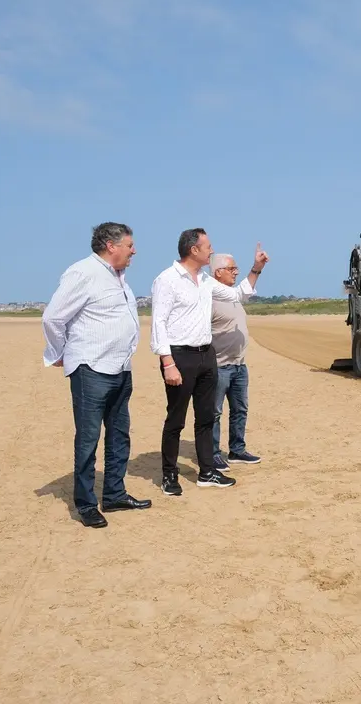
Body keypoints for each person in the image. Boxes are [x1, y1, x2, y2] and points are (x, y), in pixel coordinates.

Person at [41, 221, 152, 529]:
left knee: (119, 435)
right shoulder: (83, 273)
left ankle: (114, 494)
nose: (134, 251)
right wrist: (60, 353)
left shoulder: (118, 276)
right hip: (91, 369)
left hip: (120, 368)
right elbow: (52, 318)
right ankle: (87, 504)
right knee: (88, 439)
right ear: (110, 246)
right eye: (130, 245)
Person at [150, 228, 267, 496]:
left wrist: (256, 268)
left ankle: (207, 472)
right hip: (180, 356)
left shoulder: (205, 281)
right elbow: (159, 323)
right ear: (194, 250)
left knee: (205, 418)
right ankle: (169, 475)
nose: (211, 251)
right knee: (176, 420)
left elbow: (238, 294)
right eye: (208, 246)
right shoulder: (167, 280)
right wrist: (168, 362)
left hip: (207, 356)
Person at [209, 252, 262, 470]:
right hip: (218, 366)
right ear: (218, 272)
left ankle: (237, 450)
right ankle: (212, 454)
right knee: (213, 413)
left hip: (239, 365)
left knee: (240, 409)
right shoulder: (209, 298)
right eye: (232, 269)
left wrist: (257, 268)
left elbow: (246, 289)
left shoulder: (233, 296)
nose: (236, 272)